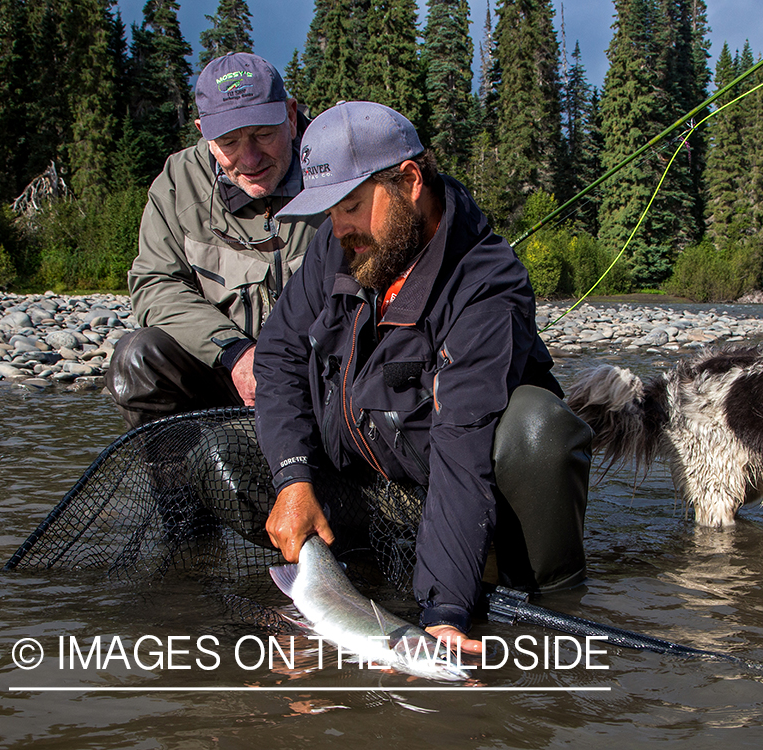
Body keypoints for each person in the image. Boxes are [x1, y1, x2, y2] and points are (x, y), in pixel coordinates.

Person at [253, 101, 593, 653]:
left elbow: (462, 447)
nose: (337, 228)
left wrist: (444, 611)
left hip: (448, 481)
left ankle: (545, 598)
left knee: (537, 427)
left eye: (351, 206)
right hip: (352, 477)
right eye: (328, 211)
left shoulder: (487, 286)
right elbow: (278, 355)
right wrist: (293, 479)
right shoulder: (338, 244)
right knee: (214, 461)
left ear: (409, 181)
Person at [106, 52, 317, 429]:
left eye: (263, 134)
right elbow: (156, 283)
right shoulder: (178, 181)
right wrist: (234, 352)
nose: (249, 157)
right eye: (229, 142)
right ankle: (177, 488)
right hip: (224, 370)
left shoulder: (336, 168)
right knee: (136, 358)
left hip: (321, 373)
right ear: (204, 132)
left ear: (289, 114)